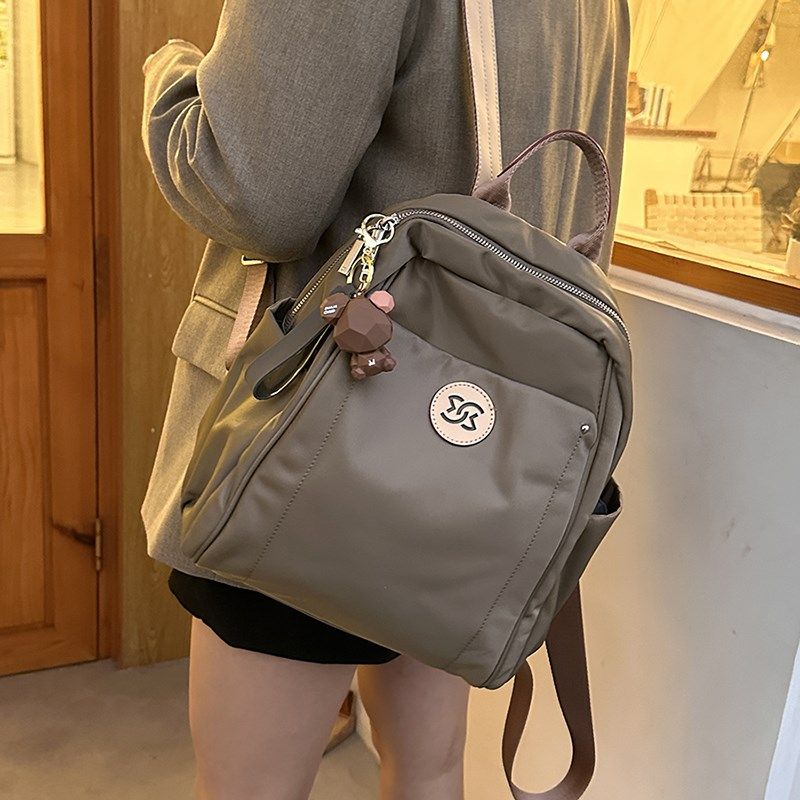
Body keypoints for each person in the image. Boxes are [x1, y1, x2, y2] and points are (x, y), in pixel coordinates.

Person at [141, 1, 630, 798]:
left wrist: (167, 72)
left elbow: (256, 192)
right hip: (479, 453)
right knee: (428, 768)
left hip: (317, 438)